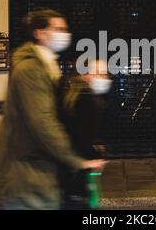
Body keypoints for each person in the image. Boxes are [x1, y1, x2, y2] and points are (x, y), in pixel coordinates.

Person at [0, 8, 106, 210]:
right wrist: (76, 161)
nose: (64, 33)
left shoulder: (48, 66)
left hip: (42, 175)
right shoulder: (30, 69)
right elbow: (43, 122)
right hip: (28, 176)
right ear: (40, 33)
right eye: (58, 28)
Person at [57, 59, 112, 209]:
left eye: (105, 74)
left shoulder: (70, 94)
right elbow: (83, 138)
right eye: (99, 74)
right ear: (85, 75)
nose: (104, 78)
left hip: (66, 170)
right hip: (78, 169)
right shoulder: (89, 100)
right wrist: (95, 158)